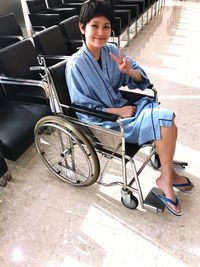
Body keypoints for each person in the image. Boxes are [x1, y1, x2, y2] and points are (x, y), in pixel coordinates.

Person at [65, 0, 194, 216]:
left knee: (167, 119)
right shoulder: (75, 65)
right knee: (165, 120)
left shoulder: (111, 51)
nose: (100, 32)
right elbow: (82, 107)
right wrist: (119, 112)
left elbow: (139, 77)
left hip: (124, 108)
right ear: (82, 27)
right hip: (105, 122)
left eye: (106, 26)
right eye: (94, 26)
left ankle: (167, 174)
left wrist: (127, 71)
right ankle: (166, 175)